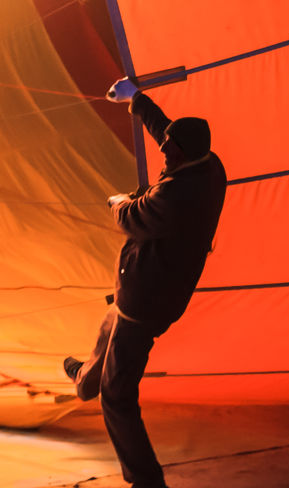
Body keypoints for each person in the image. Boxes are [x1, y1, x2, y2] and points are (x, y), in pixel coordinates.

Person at [64, 76, 226, 488]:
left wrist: (118, 200)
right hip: (133, 293)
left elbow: (131, 218)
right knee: (106, 334)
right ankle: (84, 381)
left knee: (118, 396)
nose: (165, 155)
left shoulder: (177, 196)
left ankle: (146, 482)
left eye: (171, 153)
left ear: (185, 154)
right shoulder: (208, 163)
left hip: (147, 302)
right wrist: (135, 99)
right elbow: (167, 130)